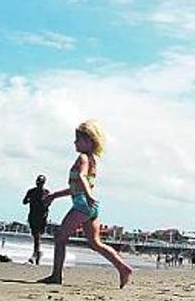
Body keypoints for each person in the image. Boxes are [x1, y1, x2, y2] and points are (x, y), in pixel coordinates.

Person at [39, 120, 133, 288]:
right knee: (95, 243)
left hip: (83, 205)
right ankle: (123, 268)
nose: (74, 142)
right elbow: (75, 188)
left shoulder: (82, 158)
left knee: (60, 236)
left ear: (89, 141)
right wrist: (54, 196)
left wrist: (88, 196)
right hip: (91, 207)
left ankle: (56, 276)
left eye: (78, 139)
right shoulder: (92, 160)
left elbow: (81, 179)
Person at [23, 175, 51, 265]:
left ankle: (36, 254)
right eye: (38, 182)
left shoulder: (46, 192)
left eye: (41, 182)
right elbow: (24, 201)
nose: (39, 183)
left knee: (37, 236)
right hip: (32, 216)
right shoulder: (31, 191)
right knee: (35, 235)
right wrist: (30, 199)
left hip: (41, 217)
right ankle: (38, 254)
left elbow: (49, 204)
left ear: (44, 183)